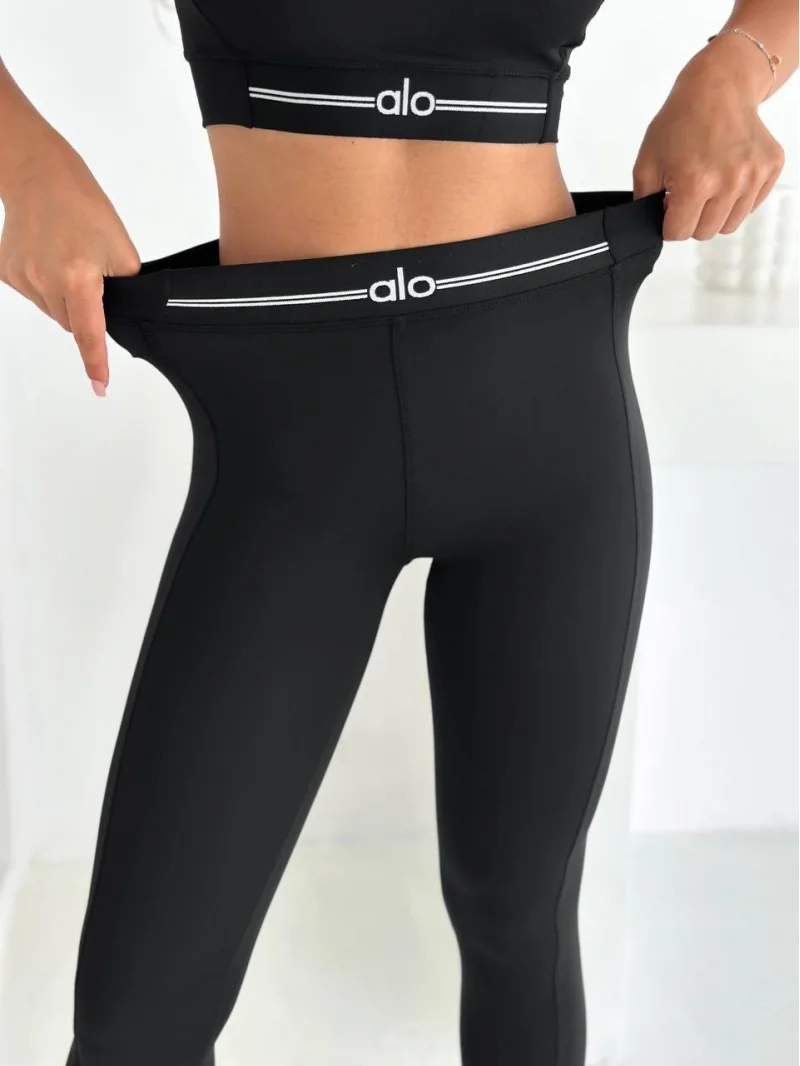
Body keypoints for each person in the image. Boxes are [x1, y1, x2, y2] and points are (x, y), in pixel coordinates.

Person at [0, 1, 796, 1064]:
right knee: (136, 1014)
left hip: (548, 413)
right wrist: (27, 164)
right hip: (288, 449)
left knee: (517, 919)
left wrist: (735, 65)